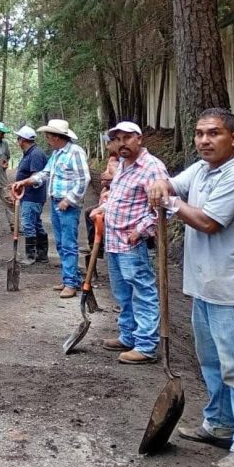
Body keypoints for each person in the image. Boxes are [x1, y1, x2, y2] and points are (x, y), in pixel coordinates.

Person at [147, 108, 234, 467]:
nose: (204, 140)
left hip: (233, 293)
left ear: (233, 137)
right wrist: (161, 184)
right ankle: (219, 425)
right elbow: (174, 184)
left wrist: (169, 203)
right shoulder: (202, 170)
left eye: (213, 133)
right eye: (199, 133)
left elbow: (208, 222)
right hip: (205, 288)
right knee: (213, 366)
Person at [95, 121, 168, 365]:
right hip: (113, 241)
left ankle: (146, 345)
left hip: (131, 242)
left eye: (127, 137)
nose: (122, 143)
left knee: (142, 291)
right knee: (122, 292)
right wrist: (102, 208)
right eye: (117, 138)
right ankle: (128, 335)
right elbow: (118, 199)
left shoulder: (152, 168)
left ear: (140, 138)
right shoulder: (124, 166)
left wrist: (141, 230)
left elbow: (163, 208)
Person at [11, 119, 89, 298]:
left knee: (69, 243)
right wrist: (25, 182)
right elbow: (44, 174)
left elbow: (83, 179)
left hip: (67, 204)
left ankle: (70, 283)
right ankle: (70, 278)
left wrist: (69, 200)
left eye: (48, 136)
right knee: (61, 243)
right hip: (56, 202)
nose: (46, 139)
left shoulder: (75, 152)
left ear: (56, 137)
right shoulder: (57, 154)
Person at [12, 126, 47, 265]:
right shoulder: (29, 153)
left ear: (23, 140)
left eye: (18, 138)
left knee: (28, 225)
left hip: (33, 197)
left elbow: (35, 177)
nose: (17, 141)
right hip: (28, 196)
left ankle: (30, 256)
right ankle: (42, 255)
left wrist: (21, 184)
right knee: (36, 224)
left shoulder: (35, 154)